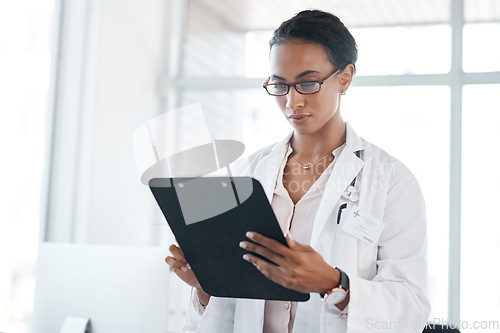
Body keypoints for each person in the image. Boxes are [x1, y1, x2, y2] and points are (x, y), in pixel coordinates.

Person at [165, 9, 430, 333]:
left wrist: (335, 285)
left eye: (307, 83)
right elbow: (232, 308)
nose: (292, 102)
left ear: (345, 77)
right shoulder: (248, 172)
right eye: (280, 85)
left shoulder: (391, 182)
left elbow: (411, 309)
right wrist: (206, 285)